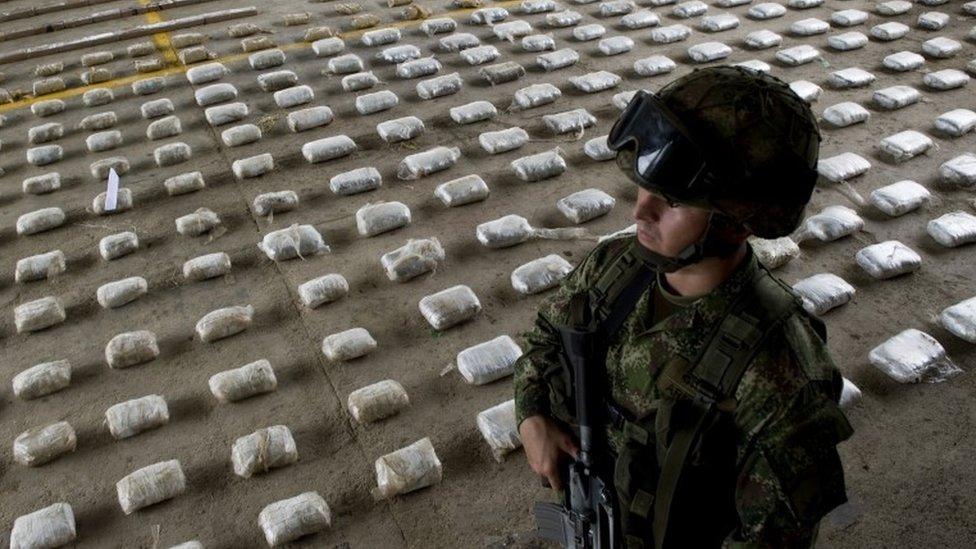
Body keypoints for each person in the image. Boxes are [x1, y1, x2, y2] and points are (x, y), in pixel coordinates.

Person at [512, 66, 854, 549]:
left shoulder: (780, 371)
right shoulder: (616, 267)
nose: (640, 212)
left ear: (737, 222)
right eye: (646, 187)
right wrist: (531, 416)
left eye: (672, 202)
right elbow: (545, 340)